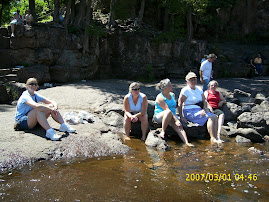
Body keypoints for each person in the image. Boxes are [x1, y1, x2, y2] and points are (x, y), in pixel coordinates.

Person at [178, 72, 222, 144]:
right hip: (189, 110)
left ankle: (217, 137)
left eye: (194, 79)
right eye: (191, 80)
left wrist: (205, 108)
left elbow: (204, 100)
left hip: (199, 109)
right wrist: (181, 116)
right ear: (187, 81)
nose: (193, 81)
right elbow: (180, 103)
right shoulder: (186, 90)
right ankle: (212, 138)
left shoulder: (198, 89)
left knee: (215, 117)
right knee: (210, 117)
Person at [153, 78, 193, 146]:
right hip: (160, 116)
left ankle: (186, 142)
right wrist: (176, 120)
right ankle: (163, 131)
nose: (172, 87)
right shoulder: (160, 97)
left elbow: (173, 108)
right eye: (170, 86)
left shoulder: (172, 95)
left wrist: (177, 120)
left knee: (179, 127)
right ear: (165, 88)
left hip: (172, 115)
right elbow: (167, 110)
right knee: (168, 112)